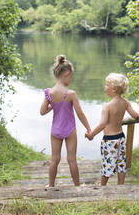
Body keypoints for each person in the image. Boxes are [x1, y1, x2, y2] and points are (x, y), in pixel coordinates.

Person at [40, 55, 91, 187]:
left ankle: (51, 185)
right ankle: (77, 186)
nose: (71, 79)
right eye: (71, 76)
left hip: (55, 129)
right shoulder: (71, 94)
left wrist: (53, 105)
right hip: (69, 130)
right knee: (72, 160)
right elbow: (80, 114)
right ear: (66, 74)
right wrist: (88, 128)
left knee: (54, 159)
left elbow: (42, 111)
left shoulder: (49, 93)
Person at [85, 73, 139, 186]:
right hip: (121, 138)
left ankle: (103, 186)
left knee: (107, 163)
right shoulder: (125, 102)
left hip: (109, 140)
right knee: (121, 163)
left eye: (107, 85)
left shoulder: (107, 106)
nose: (105, 87)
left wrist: (91, 135)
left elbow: (102, 124)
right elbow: (135, 116)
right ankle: (120, 186)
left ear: (113, 88)